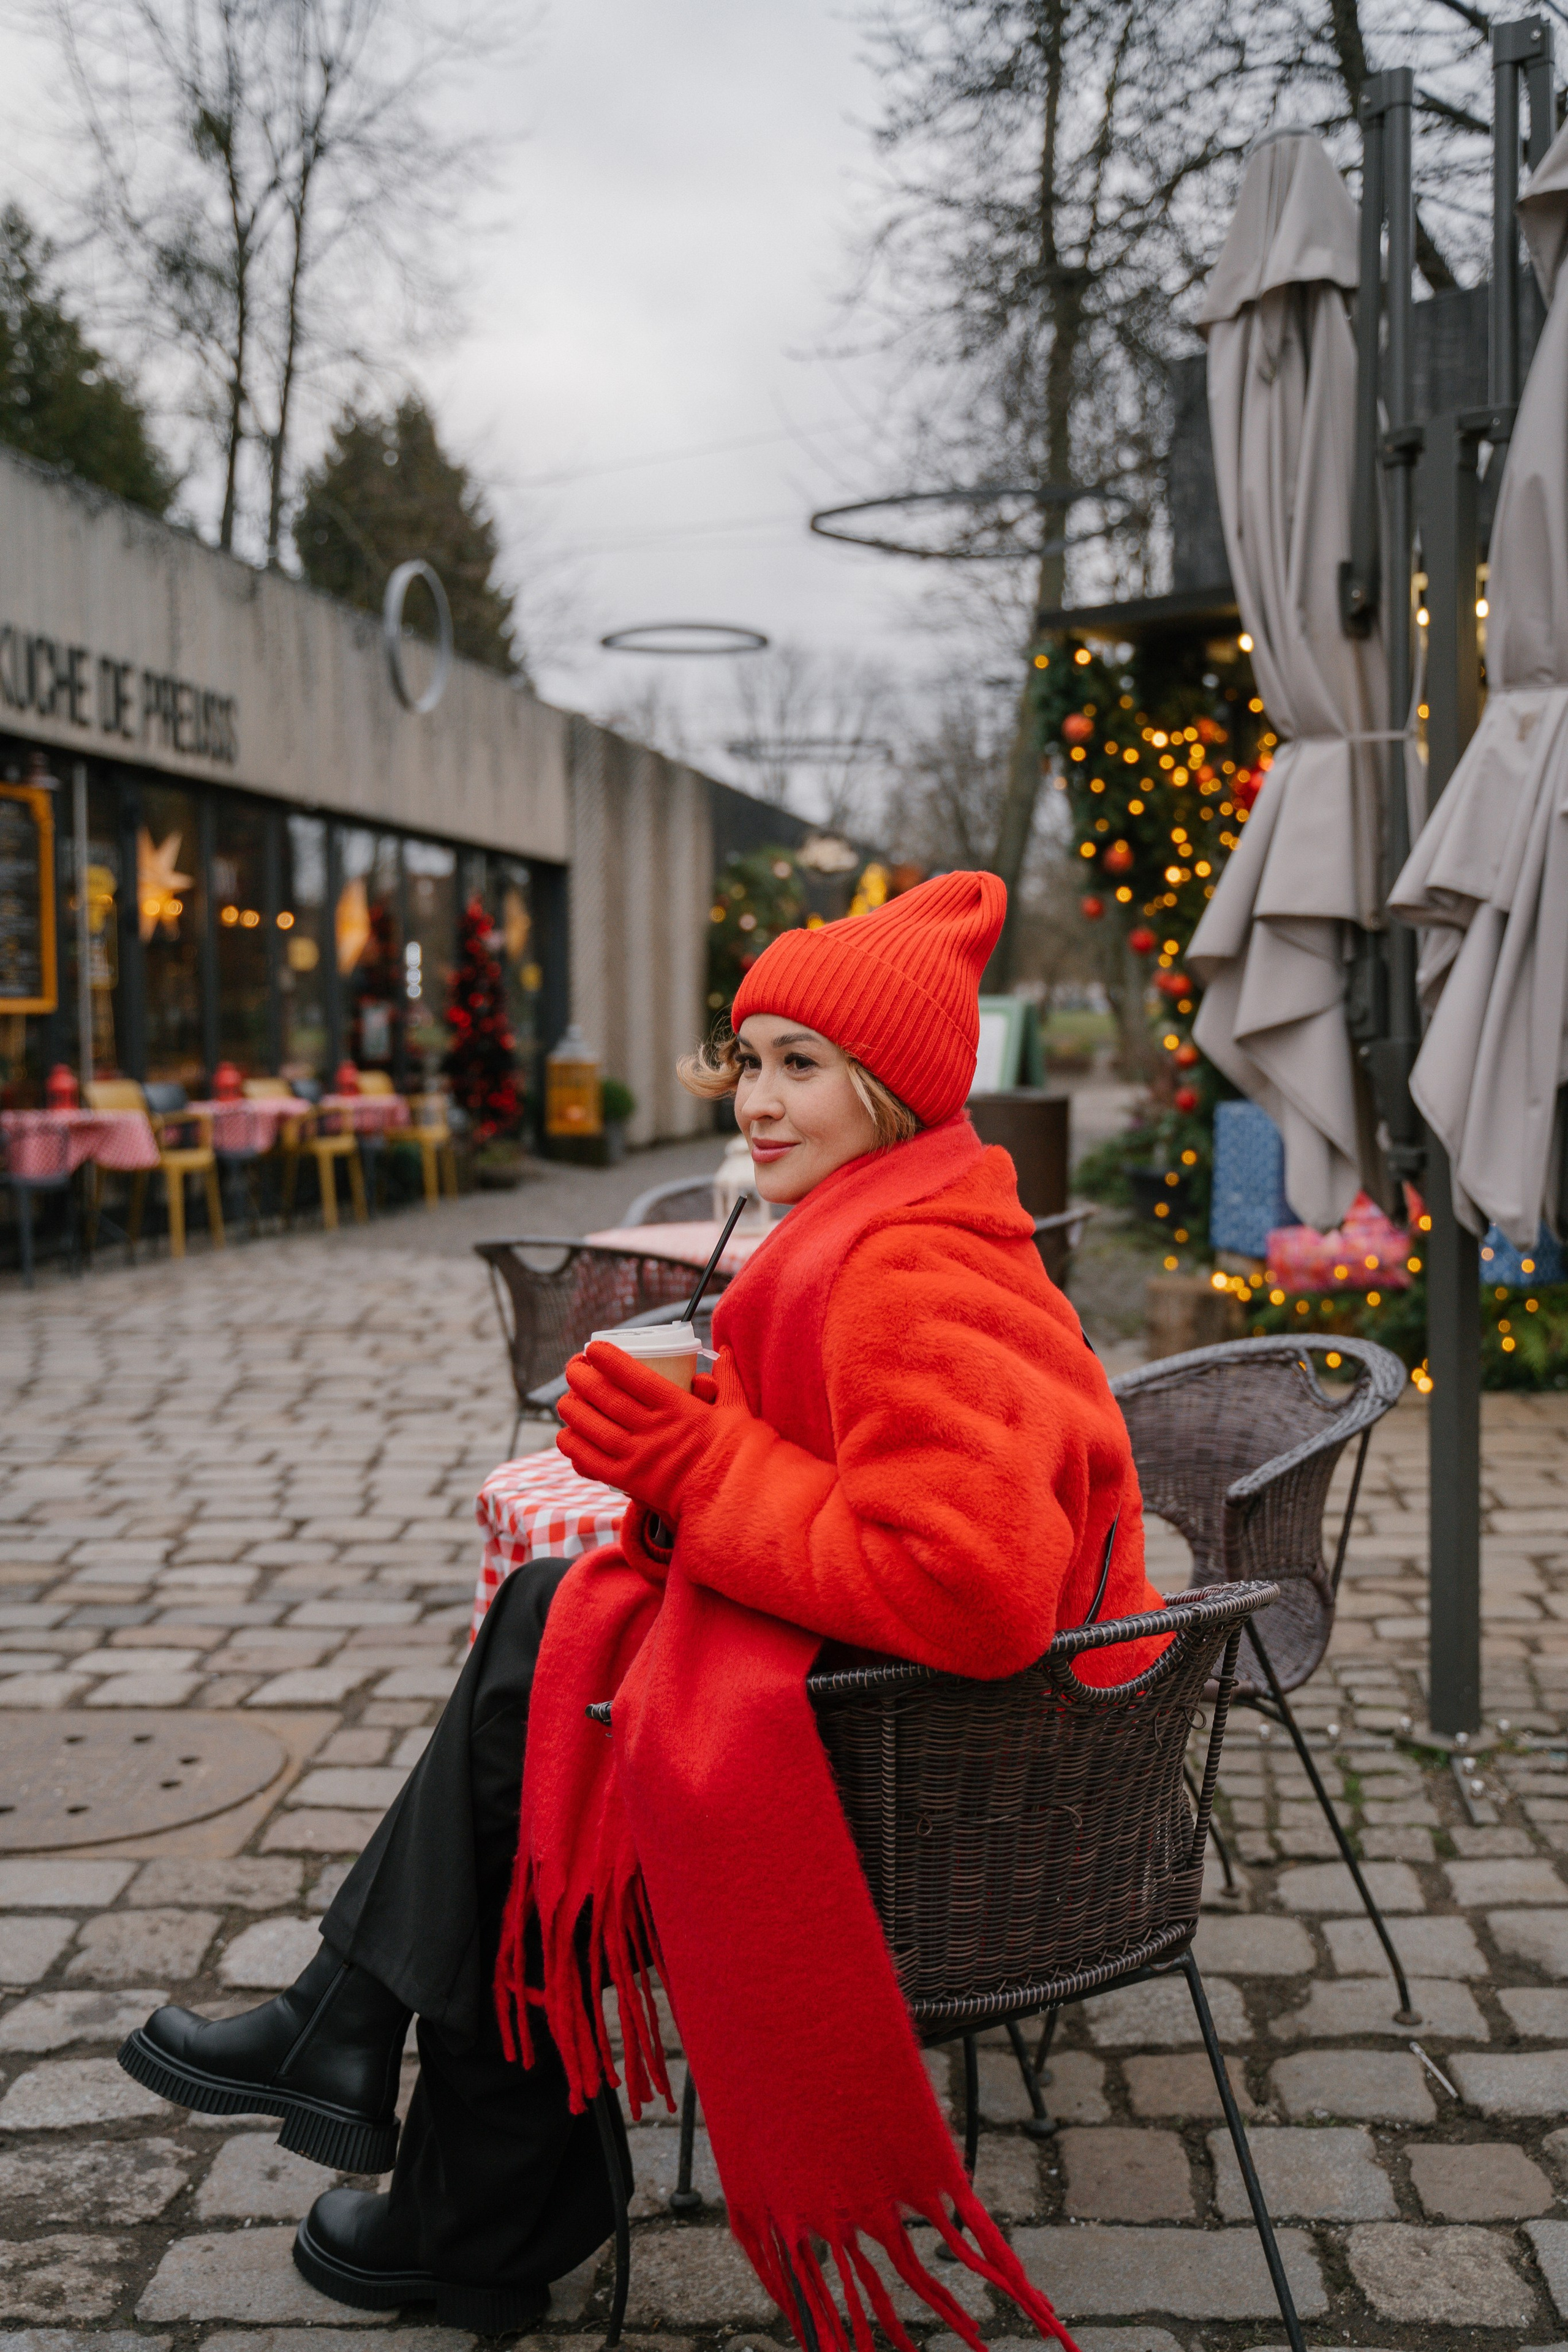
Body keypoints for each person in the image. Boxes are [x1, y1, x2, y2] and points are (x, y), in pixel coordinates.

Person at [119, 872, 1167, 2352]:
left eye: (802, 1065)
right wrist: (719, 1425)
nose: (756, 1097)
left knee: (542, 1691)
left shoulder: (909, 1272)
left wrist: (692, 1455)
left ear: (892, 1087)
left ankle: (406, 2118)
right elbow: (864, 1472)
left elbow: (969, 1589)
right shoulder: (892, 1223)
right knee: (548, 1654)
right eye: (749, 1058)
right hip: (919, 1722)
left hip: (947, 1776)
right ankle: (408, 2131)